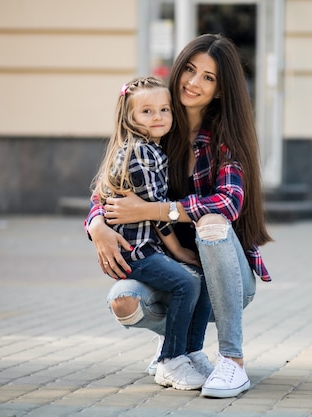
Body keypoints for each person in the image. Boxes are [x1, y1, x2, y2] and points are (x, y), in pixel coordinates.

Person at [86, 33, 272, 398]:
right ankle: (178, 348)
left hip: (224, 278)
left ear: (220, 90)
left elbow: (227, 204)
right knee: (123, 301)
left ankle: (232, 361)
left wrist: (153, 210)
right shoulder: (154, 130)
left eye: (208, 77)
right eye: (189, 69)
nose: (193, 81)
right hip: (172, 267)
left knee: (212, 225)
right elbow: (106, 189)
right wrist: (96, 225)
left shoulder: (224, 139)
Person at [88, 75, 213, 391]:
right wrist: (180, 252)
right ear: (129, 116)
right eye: (147, 112)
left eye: (164, 109)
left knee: (198, 278)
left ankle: (190, 352)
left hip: (145, 248)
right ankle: (170, 361)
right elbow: (157, 211)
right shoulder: (141, 152)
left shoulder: (151, 149)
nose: (158, 117)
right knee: (187, 280)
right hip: (136, 250)